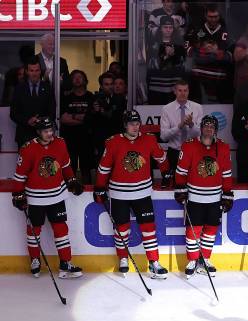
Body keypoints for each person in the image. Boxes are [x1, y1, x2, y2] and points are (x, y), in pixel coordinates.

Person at [93, 111, 171, 279]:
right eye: (131, 123)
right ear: (125, 125)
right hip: (119, 193)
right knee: (122, 228)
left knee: (148, 228)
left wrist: (166, 173)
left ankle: (154, 262)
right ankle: (123, 258)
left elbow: (161, 157)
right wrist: (99, 186)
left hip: (142, 192)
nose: (135, 127)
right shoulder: (113, 142)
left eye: (137, 123)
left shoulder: (149, 139)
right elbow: (104, 167)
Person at [11, 117, 83, 278]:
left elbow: (65, 166)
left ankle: (65, 263)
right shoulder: (28, 148)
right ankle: (35, 260)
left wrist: (71, 180)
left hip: (57, 195)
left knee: (61, 229)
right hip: (35, 197)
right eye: (46, 131)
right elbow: (20, 175)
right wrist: (18, 193)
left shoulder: (60, 143)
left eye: (51, 130)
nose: (50, 134)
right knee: (33, 230)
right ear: (38, 132)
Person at [174, 115, 233, 278]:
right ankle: (192, 260)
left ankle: (205, 258)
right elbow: (180, 172)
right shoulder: (189, 146)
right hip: (194, 197)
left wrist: (228, 194)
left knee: (211, 230)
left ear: (215, 130)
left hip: (214, 198)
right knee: (193, 230)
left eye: (212, 127)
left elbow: (227, 173)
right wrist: (180, 189)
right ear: (201, 128)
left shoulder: (223, 147)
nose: (209, 129)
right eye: (206, 126)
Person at [187, 3, 235, 103]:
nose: (213, 19)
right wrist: (205, 51)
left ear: (220, 15)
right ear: (205, 15)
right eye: (210, 17)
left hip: (220, 80)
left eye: (215, 16)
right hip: (198, 79)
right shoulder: (197, 29)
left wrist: (216, 52)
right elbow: (190, 51)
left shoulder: (226, 31)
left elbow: (230, 57)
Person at [160, 80, 204, 182]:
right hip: (174, 152)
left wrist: (191, 124)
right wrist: (179, 126)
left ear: (188, 91)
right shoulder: (166, 109)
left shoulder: (197, 108)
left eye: (185, 90)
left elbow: (201, 134)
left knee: (195, 182)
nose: (183, 93)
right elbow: (163, 136)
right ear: (174, 91)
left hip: (194, 152)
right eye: (180, 90)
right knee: (176, 185)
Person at [10, 57, 55, 148]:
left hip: (43, 136)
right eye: (31, 70)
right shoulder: (19, 89)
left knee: (43, 162)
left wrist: (40, 122)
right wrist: (27, 121)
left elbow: (52, 111)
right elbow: (13, 114)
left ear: (40, 71)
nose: (34, 73)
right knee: (25, 162)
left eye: (37, 70)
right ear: (27, 72)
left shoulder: (47, 88)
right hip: (24, 136)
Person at [60, 70, 94, 184]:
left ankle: (87, 194)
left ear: (85, 80)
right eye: (75, 77)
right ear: (71, 80)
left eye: (80, 77)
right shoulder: (66, 97)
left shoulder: (91, 97)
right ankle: (70, 191)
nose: (77, 79)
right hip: (69, 138)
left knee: (86, 170)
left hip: (87, 139)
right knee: (71, 168)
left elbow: (91, 119)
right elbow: (63, 119)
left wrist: (73, 116)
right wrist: (82, 118)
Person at [147, 15, 186, 105]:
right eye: (165, 27)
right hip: (156, 87)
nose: (168, 30)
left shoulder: (179, 44)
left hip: (175, 87)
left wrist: (174, 53)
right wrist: (164, 55)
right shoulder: (153, 44)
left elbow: (182, 63)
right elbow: (152, 65)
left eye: (170, 27)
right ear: (160, 28)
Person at [90, 72, 123, 166]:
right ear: (101, 85)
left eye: (112, 84)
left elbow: (118, 118)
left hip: (116, 137)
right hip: (100, 140)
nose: (110, 87)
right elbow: (89, 119)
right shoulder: (95, 98)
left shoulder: (120, 99)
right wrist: (95, 111)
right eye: (106, 84)